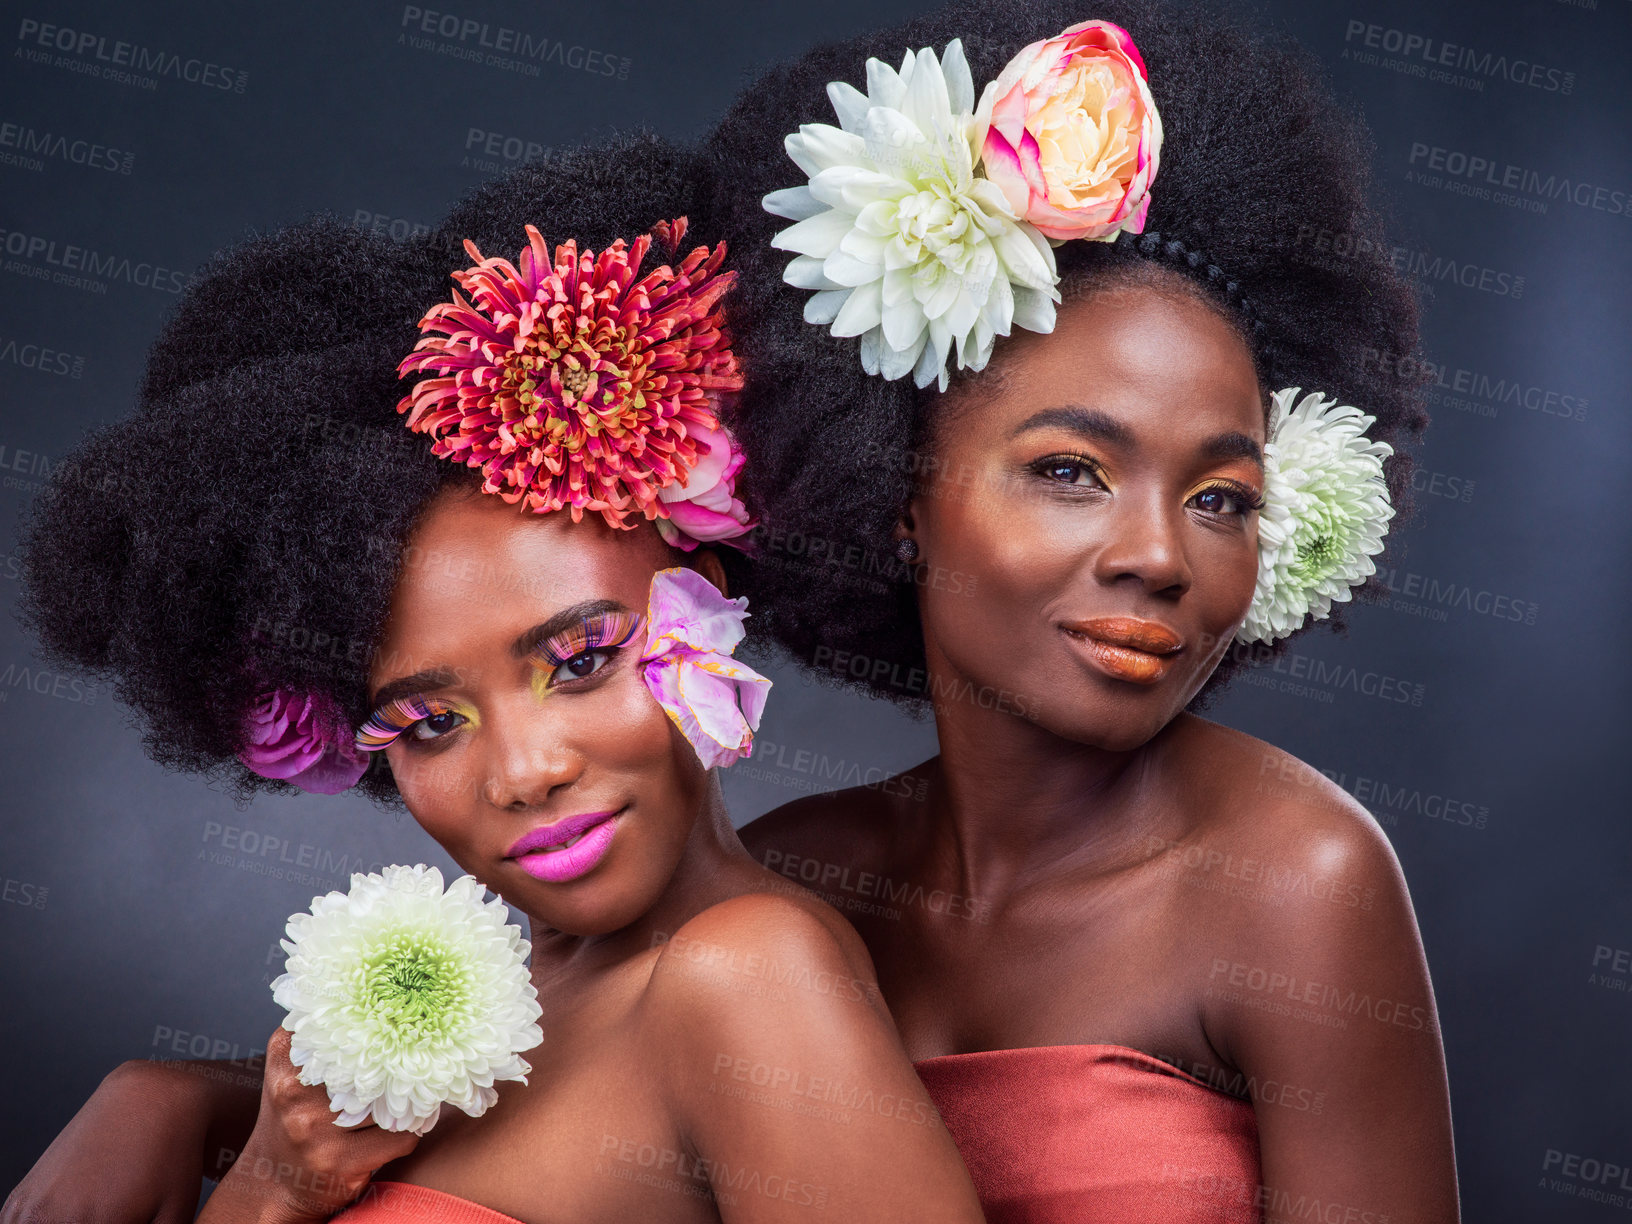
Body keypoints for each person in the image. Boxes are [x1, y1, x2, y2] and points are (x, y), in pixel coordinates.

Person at [6, 133, 984, 1224]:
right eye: (428, 721)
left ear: (703, 605)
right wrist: (200, 1109)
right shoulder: (476, 1031)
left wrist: (269, 1186)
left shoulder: (746, 975)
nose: (523, 771)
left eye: (580, 660)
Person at [707, 2, 1459, 1221]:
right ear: (899, 491)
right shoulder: (795, 884)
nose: (1161, 555)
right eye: (1069, 471)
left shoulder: (1295, 884)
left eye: (1221, 497)